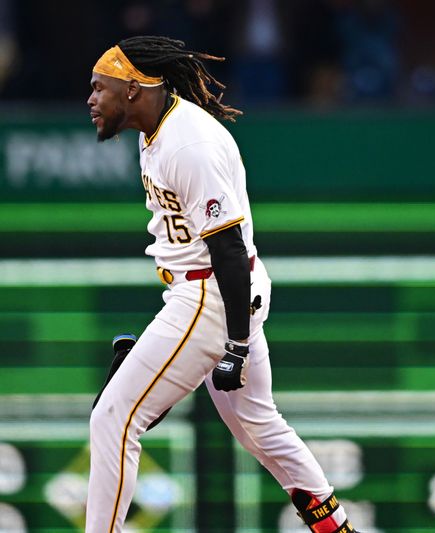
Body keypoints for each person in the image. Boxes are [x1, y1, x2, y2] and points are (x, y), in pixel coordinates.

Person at [86, 36, 357, 533]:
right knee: (260, 428)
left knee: (113, 419)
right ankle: (336, 527)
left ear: (131, 89)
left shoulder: (189, 144)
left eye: (100, 88)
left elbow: (227, 249)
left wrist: (233, 342)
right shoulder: (156, 130)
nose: (91, 99)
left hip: (212, 293)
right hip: (218, 290)